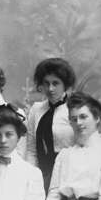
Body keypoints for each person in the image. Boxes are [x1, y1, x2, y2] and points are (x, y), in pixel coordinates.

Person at [26, 58, 75, 192]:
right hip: (42, 175)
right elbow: (31, 149)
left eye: (56, 83)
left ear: (65, 84)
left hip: (68, 175)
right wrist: (32, 177)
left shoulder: (74, 110)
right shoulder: (36, 109)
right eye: (46, 83)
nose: (50, 88)